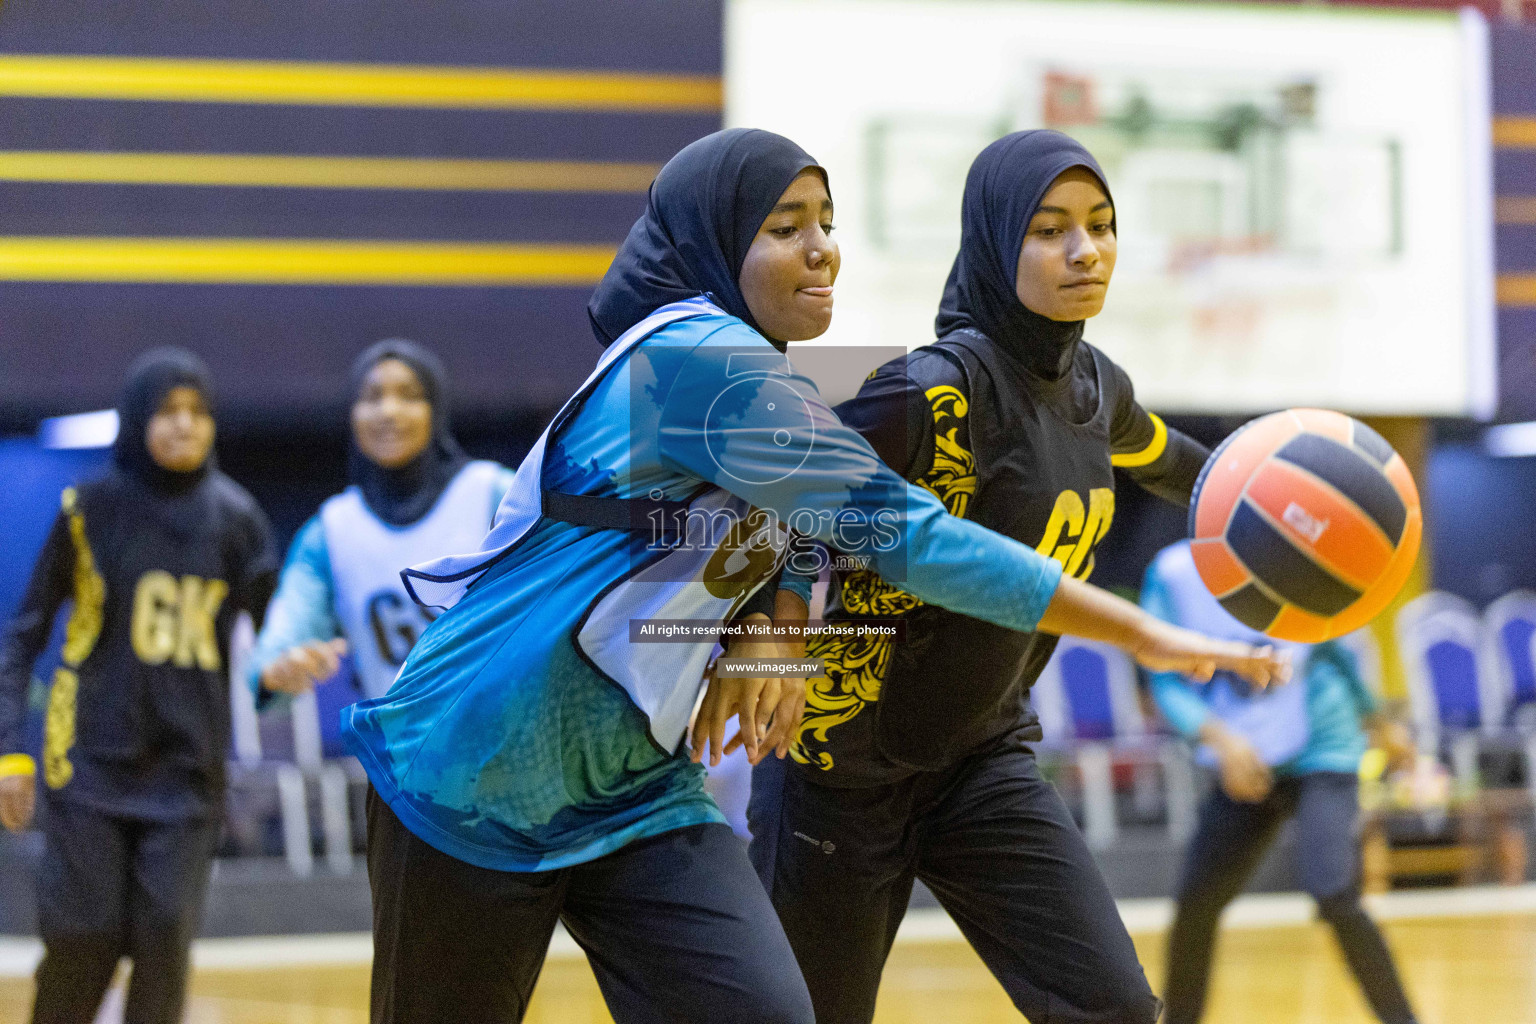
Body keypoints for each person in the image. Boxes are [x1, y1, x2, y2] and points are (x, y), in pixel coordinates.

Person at [338, 127, 1284, 1024]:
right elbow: (904, 532)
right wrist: (1144, 631)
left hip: (634, 785)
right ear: (714, 247)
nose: (822, 248)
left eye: (826, 223)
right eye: (785, 228)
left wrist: (777, 616)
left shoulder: (783, 376)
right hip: (477, 766)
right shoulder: (694, 362)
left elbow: (801, 508)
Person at [747, 129, 1221, 1024]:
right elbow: (790, 501)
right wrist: (775, 628)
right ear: (998, 242)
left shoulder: (1095, 390)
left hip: (981, 761)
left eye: (1100, 224)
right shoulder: (932, 393)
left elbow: (1183, 468)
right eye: (1048, 230)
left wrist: (1282, 487)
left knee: (1117, 1009)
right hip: (842, 777)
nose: (1085, 250)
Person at [0, 349, 277, 1024]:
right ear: (136, 419)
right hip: (87, 762)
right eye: (166, 412)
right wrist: (10, 750)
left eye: (197, 412)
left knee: (162, 944)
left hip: (186, 776)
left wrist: (285, 670)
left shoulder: (239, 520)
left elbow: (279, 644)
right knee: (82, 939)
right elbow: (23, 637)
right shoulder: (86, 509)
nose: (183, 426)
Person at [1142, 539, 1420, 1024]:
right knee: (1195, 903)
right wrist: (1220, 741)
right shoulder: (1171, 574)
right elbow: (1163, 679)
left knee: (1333, 891)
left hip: (1323, 748)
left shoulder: (1286, 549)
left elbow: (1337, 648)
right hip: (1245, 760)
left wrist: (1379, 722)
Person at [250, 340, 513, 703]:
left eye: (408, 396)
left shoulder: (497, 495)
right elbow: (283, 640)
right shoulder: (330, 531)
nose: (388, 411)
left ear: (435, 410)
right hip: (403, 753)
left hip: (513, 742)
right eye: (372, 397)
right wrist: (277, 669)